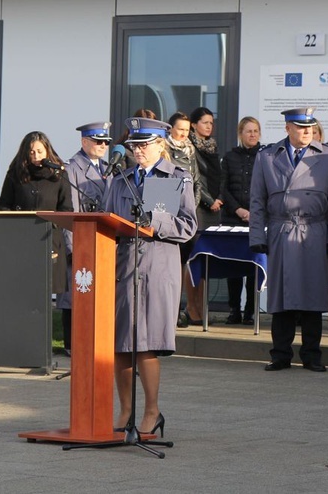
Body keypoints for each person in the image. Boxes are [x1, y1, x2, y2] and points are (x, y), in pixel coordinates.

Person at [103, 117, 197, 434]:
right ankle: (125, 411)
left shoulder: (172, 178)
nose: (138, 150)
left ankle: (151, 411)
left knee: (146, 343)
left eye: (144, 145)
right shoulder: (119, 179)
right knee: (122, 343)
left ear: (160, 145)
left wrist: (154, 218)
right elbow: (106, 223)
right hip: (125, 267)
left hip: (157, 268)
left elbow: (186, 226)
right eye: (134, 145)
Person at [249, 107, 328, 373]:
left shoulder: (327, 156)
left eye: (310, 127)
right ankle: (280, 354)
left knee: (313, 296)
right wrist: (257, 235)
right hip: (280, 232)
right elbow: (257, 201)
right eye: (301, 127)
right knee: (281, 296)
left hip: (314, 232)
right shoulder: (267, 156)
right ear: (287, 128)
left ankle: (312, 355)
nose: (306, 132)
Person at [57, 122, 112, 355]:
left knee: (99, 294)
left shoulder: (109, 169)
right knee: (75, 293)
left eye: (106, 142)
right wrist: (72, 247)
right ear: (84, 142)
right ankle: (72, 344)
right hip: (80, 241)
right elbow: (69, 211)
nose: (102, 146)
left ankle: (96, 340)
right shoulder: (72, 169)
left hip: (103, 241)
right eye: (97, 141)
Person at [0, 131, 73, 296]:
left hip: (49, 240)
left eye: (40, 151)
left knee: (44, 291)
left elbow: (66, 209)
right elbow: (3, 205)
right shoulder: (15, 174)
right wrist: (13, 222)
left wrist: (53, 222)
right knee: (22, 291)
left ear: (47, 151)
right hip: (21, 240)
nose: (36, 156)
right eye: (31, 152)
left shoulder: (59, 176)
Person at [220, 116, 262, 325]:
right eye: (248, 131)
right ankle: (234, 309)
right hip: (232, 218)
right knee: (234, 267)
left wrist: (253, 212)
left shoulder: (266, 156)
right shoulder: (229, 157)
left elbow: (267, 187)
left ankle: (250, 311)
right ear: (240, 134)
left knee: (254, 267)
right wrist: (238, 210)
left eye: (255, 131)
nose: (252, 135)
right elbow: (223, 188)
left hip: (257, 219)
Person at [184, 107, 222, 324]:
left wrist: (219, 198)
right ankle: (191, 306)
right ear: (193, 124)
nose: (209, 126)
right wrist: (209, 200)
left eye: (211, 122)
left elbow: (218, 176)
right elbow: (194, 178)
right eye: (205, 122)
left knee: (206, 260)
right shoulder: (190, 147)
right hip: (198, 206)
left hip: (214, 210)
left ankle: (201, 306)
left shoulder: (212, 146)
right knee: (194, 258)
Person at [165, 112, 203, 327]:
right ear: (171, 128)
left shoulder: (190, 150)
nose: (184, 133)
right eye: (180, 129)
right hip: (170, 216)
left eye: (187, 130)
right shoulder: (164, 150)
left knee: (184, 263)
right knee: (172, 264)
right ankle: (173, 309)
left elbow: (196, 182)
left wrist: (191, 206)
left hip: (187, 216)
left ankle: (182, 308)